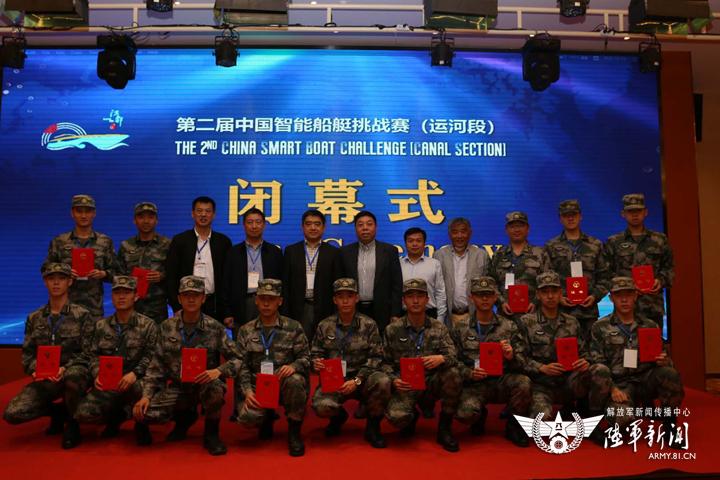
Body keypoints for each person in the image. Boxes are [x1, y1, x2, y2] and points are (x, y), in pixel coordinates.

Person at [132, 276, 241, 456]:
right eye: (186, 295)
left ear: (203, 298)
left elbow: (238, 358)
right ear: (179, 298)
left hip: (205, 385)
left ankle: (211, 434)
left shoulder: (215, 327)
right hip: (178, 387)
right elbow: (156, 365)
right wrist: (146, 396)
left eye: (195, 295)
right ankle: (184, 419)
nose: (191, 299)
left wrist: (218, 371)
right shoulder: (166, 327)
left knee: (215, 389)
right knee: (146, 413)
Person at [3, 263, 94, 450]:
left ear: (70, 282)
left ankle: (73, 424)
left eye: (61, 279)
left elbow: (89, 353)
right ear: (45, 282)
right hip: (45, 377)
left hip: (72, 374)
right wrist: (35, 369)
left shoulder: (82, 315)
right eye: (51, 279)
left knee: (74, 377)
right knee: (13, 413)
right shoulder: (35, 317)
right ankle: (59, 413)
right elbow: (28, 354)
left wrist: (64, 368)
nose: (56, 283)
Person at [588, 276, 684, 447]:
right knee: (622, 418)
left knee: (670, 374)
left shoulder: (650, 325)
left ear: (636, 296)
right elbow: (596, 363)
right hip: (620, 385)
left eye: (628, 294)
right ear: (611, 298)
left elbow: (665, 359)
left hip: (646, 379)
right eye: (619, 295)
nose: (624, 299)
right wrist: (612, 388)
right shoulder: (600, 327)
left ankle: (669, 426)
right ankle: (598, 424)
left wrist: (664, 361)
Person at [74, 276, 158, 445]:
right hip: (108, 383)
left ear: (136, 296)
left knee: (147, 399)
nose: (121, 297)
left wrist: (135, 374)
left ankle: (141, 424)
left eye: (126, 292)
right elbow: (93, 355)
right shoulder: (101, 326)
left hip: (135, 383)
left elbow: (152, 356)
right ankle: (117, 416)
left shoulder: (148, 325)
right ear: (112, 297)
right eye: (117, 292)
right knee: (83, 414)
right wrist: (97, 374)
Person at [451, 276, 531, 447]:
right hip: (475, 384)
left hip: (501, 381)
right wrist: (469, 373)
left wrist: (510, 356)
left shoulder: (509, 326)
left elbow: (523, 362)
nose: (485, 299)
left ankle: (513, 426)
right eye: (480, 295)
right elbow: (452, 360)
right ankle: (479, 416)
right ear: (471, 298)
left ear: (495, 297)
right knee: (464, 414)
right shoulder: (461, 327)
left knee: (523, 383)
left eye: (488, 294)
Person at [383, 279, 462, 452]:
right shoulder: (392, 329)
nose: (415, 301)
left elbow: (454, 356)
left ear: (427, 299)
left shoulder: (439, 327)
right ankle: (411, 417)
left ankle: (444, 429)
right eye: (410, 296)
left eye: (420, 296)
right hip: (406, 385)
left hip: (432, 382)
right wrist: (394, 380)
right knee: (396, 417)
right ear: (404, 300)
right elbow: (384, 363)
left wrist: (442, 358)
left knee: (453, 374)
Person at [310, 278, 390, 448]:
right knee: (320, 406)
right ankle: (338, 417)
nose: (345, 301)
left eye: (350, 296)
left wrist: (357, 380)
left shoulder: (369, 325)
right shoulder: (325, 325)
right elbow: (316, 353)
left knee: (383, 381)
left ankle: (373, 427)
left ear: (357, 298)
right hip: (335, 380)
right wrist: (316, 363)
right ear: (334, 300)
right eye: (341, 297)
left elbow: (376, 357)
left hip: (362, 379)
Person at [235, 279, 310, 457]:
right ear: (256, 300)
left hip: (283, 384)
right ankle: (266, 418)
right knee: (247, 419)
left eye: (271, 299)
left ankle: (294, 432)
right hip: (258, 387)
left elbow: (307, 358)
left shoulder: (293, 327)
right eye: (263, 298)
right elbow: (241, 365)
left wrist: (294, 366)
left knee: (295, 381)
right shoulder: (246, 330)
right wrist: (247, 391)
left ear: (280, 301)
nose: (266, 303)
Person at [516, 271, 591, 421]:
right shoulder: (526, 322)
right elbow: (519, 356)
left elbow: (584, 352)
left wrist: (585, 361)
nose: (550, 296)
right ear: (538, 295)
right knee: (541, 418)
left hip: (569, 383)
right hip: (541, 384)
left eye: (554, 291)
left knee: (596, 371)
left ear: (561, 293)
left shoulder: (572, 322)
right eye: (545, 292)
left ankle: (587, 411)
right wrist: (541, 367)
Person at [544, 200, 610, 340]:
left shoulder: (595, 244)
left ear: (581, 216)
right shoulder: (551, 246)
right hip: (561, 312)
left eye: (573, 214)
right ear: (560, 218)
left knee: (589, 350)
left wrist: (595, 296)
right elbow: (547, 277)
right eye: (566, 215)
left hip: (589, 311)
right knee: (563, 349)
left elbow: (605, 276)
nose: (570, 218)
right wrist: (558, 298)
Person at [604, 193, 674, 325]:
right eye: (630, 211)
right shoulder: (613, 242)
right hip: (624, 309)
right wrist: (625, 285)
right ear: (623, 214)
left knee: (652, 339)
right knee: (623, 339)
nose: (635, 214)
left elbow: (669, 268)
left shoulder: (659, 240)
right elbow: (606, 273)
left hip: (652, 307)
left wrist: (660, 281)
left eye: (638, 211)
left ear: (645, 212)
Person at [44, 194, 117, 319]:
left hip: (94, 309)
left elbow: (117, 272)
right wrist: (64, 272)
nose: (83, 216)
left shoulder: (105, 241)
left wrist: (103, 274)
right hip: (66, 308)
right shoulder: (60, 241)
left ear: (94, 213)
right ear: (72, 213)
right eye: (79, 211)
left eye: (88, 211)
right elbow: (46, 269)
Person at [165, 196, 232, 321]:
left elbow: (228, 278)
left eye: (207, 211)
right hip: (187, 302)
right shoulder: (180, 240)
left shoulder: (223, 242)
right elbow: (171, 276)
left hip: (214, 304)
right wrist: (175, 306)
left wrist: (226, 310)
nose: (203, 215)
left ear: (213, 215)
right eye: (199, 211)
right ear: (192, 213)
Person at [338, 210, 403, 333]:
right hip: (353, 309)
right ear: (355, 228)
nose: (365, 228)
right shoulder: (345, 252)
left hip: (382, 310)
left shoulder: (389, 251)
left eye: (369, 224)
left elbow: (396, 285)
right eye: (360, 225)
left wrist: (395, 313)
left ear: (376, 227)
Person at [222, 207, 283, 332]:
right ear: (244, 225)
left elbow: (283, 282)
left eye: (258, 222)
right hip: (241, 304)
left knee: (268, 338)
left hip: (268, 301)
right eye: (250, 222)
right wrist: (227, 312)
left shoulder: (274, 252)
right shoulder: (233, 252)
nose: (254, 226)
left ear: (264, 225)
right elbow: (225, 284)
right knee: (242, 339)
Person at [282, 209, 341, 340]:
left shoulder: (333, 252)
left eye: (317, 224)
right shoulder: (291, 251)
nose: (313, 228)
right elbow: (286, 284)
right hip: (298, 308)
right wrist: (285, 312)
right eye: (308, 224)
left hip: (324, 308)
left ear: (324, 227)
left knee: (323, 344)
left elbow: (337, 286)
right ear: (302, 227)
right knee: (298, 344)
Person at [117, 202, 171, 322]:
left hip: (158, 308)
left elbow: (175, 273)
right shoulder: (126, 246)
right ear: (134, 220)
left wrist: (162, 276)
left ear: (156, 220)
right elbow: (118, 275)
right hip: (132, 307)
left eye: (150, 217)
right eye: (141, 217)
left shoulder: (167, 245)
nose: (146, 221)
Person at [489, 211, 549, 319]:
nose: (516, 230)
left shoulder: (539, 253)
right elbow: (492, 283)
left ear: (528, 228)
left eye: (520, 226)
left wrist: (535, 302)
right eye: (512, 227)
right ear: (506, 230)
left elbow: (548, 282)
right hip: (505, 316)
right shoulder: (499, 255)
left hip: (534, 315)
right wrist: (501, 302)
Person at [433, 217, 489, 325]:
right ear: (449, 234)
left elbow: (487, 287)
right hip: (447, 317)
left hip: (473, 316)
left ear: (470, 233)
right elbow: (436, 288)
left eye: (463, 231)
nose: (459, 236)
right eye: (455, 232)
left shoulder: (481, 255)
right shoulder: (439, 255)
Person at [400, 227, 447, 323]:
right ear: (405, 243)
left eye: (418, 241)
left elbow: (440, 292)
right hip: (404, 315)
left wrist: (440, 318)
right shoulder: (398, 264)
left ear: (424, 243)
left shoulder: (434, 264)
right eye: (410, 241)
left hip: (430, 314)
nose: (414, 244)